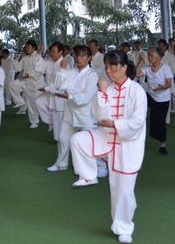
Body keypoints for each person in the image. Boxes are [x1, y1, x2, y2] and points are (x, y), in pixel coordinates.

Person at [70, 50, 146, 244]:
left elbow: (137, 122)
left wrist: (115, 124)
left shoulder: (137, 91)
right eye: (107, 67)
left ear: (124, 67)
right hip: (106, 138)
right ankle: (88, 175)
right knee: (78, 140)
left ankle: (124, 228)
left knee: (122, 189)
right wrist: (102, 93)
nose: (109, 71)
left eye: (113, 67)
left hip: (127, 145)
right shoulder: (109, 89)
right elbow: (98, 115)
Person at [48, 45, 98, 173]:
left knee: (90, 143)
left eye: (82, 56)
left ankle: (98, 167)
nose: (79, 58)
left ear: (89, 58)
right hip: (70, 111)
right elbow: (59, 86)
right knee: (63, 138)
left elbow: (85, 98)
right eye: (77, 55)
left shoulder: (92, 75)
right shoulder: (71, 71)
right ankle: (61, 164)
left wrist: (68, 95)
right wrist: (63, 70)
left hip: (86, 115)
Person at [9, 40, 43, 128]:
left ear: (33, 48)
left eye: (29, 47)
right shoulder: (24, 58)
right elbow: (17, 68)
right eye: (26, 47)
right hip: (25, 81)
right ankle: (19, 101)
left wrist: (29, 75)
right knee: (12, 84)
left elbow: (40, 71)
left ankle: (34, 121)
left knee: (32, 103)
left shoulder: (38, 57)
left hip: (35, 83)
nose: (27, 49)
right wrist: (16, 59)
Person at [144, 48, 172, 155]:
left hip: (163, 99)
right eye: (148, 55)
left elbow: (169, 83)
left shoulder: (166, 68)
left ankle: (163, 145)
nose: (149, 57)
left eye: (151, 55)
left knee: (160, 122)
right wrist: (141, 60)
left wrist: (161, 87)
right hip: (150, 95)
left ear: (159, 57)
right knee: (139, 109)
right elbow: (136, 73)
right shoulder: (147, 68)